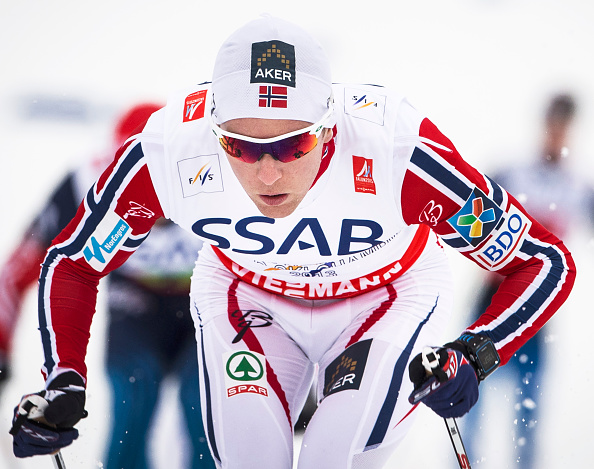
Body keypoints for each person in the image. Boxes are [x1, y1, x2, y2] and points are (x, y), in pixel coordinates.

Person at [9, 16, 575, 468]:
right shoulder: (169, 156)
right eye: (242, 147)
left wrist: (478, 352)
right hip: (250, 299)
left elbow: (544, 262)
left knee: (333, 455)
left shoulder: (398, 154)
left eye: (293, 146)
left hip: (381, 300)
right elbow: (74, 262)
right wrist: (65, 377)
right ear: (211, 130)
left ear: (330, 127)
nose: (268, 174)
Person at [1, 103, 215, 468]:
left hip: (205, 300)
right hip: (135, 303)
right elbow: (21, 267)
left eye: (157, 179)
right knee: (134, 392)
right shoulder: (84, 183)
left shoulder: (215, 178)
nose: (145, 192)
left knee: (205, 411)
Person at [463, 93, 594, 467]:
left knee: (528, 413)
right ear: (545, 124)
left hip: (537, 312)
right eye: (553, 124)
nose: (557, 133)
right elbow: (465, 219)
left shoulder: (578, 187)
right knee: (470, 398)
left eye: (564, 126)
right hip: (492, 299)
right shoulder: (511, 173)